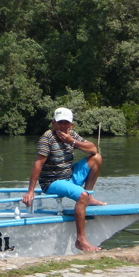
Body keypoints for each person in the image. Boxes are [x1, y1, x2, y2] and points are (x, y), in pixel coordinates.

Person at [21, 107, 106, 252]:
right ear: (53, 123)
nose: (63, 126)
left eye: (66, 123)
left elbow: (93, 149)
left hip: (68, 176)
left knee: (96, 158)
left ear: (71, 125)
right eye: (60, 123)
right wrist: (30, 191)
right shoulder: (47, 138)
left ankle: (89, 196)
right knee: (81, 195)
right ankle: (81, 240)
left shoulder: (71, 135)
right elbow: (38, 164)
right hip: (52, 182)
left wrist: (73, 142)